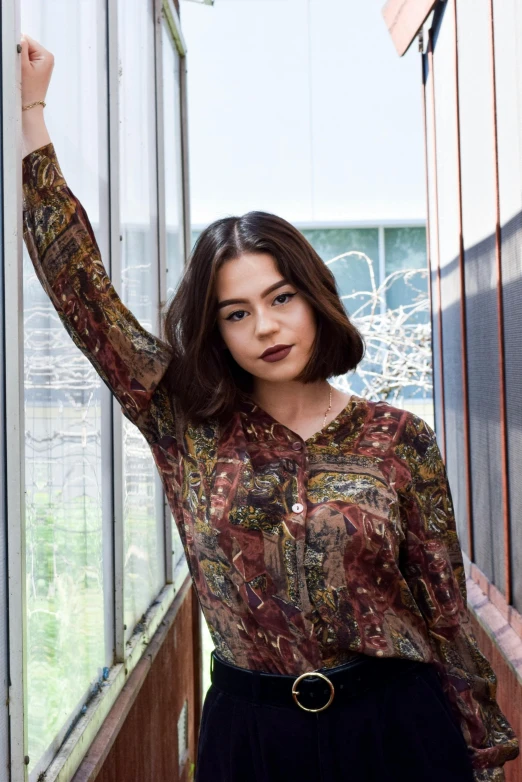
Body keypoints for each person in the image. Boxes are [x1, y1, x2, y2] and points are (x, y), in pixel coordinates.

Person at [20, 32, 519, 782]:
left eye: (281, 298)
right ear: (215, 329)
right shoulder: (185, 425)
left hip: (397, 729)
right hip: (253, 737)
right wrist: (32, 111)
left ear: (314, 299)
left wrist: (482, 757)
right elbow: (83, 293)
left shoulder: (397, 440)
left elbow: (445, 611)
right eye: (237, 312)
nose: (266, 327)